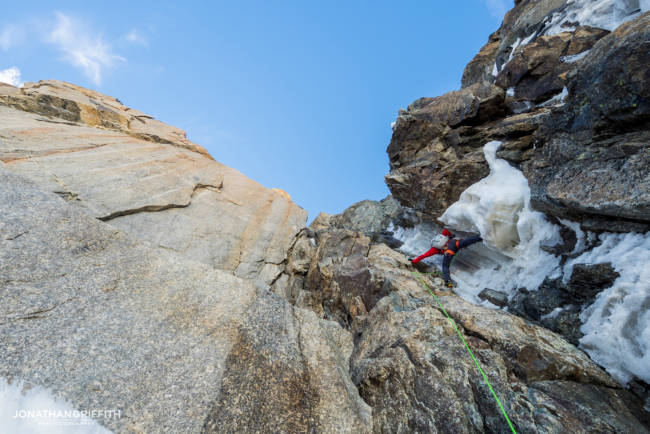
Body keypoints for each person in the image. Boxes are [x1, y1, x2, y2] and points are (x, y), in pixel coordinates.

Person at [409, 229, 482, 288]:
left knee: (445, 266)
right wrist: (451, 236)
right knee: (467, 241)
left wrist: (414, 261)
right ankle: (480, 237)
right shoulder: (442, 236)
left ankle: (448, 282)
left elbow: (423, 256)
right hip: (454, 243)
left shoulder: (433, 249)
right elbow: (445, 230)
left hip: (449, 252)